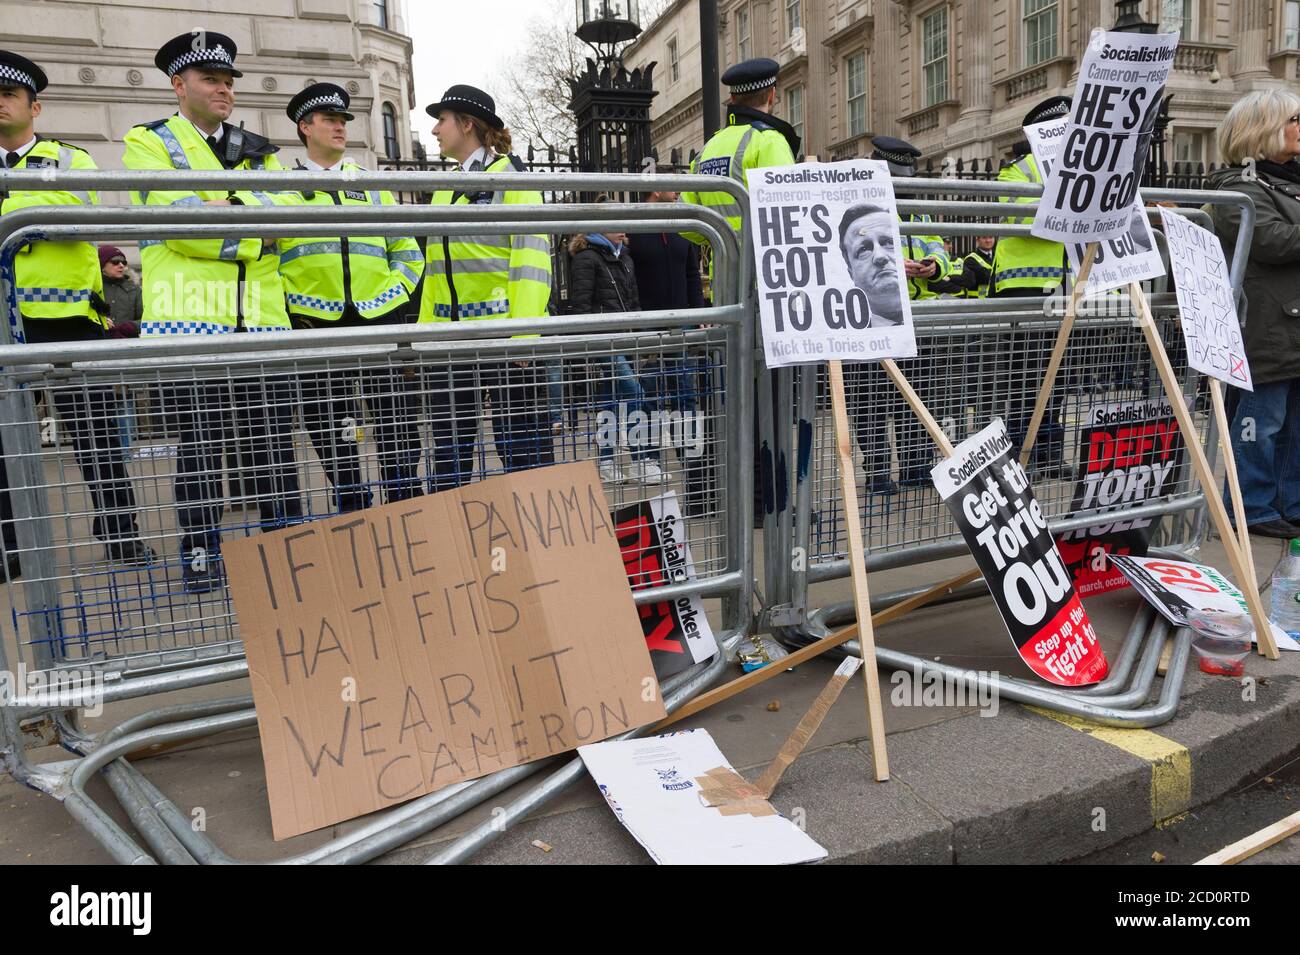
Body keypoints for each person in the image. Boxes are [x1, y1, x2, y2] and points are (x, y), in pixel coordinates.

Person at [122, 31, 302, 593]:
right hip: (192, 323)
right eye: (210, 80)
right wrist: (253, 232)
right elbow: (177, 222)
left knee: (271, 447)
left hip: (261, 323)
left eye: (228, 81)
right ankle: (201, 554)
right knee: (199, 454)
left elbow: (289, 212)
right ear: (179, 85)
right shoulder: (147, 142)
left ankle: (287, 553)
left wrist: (228, 210)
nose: (223, 90)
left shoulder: (260, 148)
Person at [0, 50, 154, 578]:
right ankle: (10, 550)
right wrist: (33, 214)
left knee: (96, 436)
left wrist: (16, 220)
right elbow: (48, 216)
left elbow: (79, 217)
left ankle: (121, 533)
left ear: (34, 107)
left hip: (68, 321)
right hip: (4, 320)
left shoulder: (71, 158)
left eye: (9, 94)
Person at [279, 82, 423, 512]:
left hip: (377, 318)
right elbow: (271, 258)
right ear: (306, 127)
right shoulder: (282, 187)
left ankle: (404, 500)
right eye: (330, 120)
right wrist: (295, 305)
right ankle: (353, 503)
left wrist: (390, 298)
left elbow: (407, 253)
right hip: (315, 323)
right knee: (331, 423)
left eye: (343, 120)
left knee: (395, 418)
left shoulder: (370, 184)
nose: (340, 127)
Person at [418, 84, 554, 490]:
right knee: (449, 457)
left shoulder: (511, 177)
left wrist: (525, 335)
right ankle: (458, 549)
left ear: (467, 124)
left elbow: (531, 258)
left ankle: (541, 547)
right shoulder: (446, 187)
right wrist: (422, 338)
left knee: (522, 452)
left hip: (504, 342)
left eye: (441, 120)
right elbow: (435, 271)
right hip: (450, 344)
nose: (435, 130)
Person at [682, 57, 799, 523]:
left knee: (738, 405)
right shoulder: (768, 141)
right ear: (771, 96)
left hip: (726, 295)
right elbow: (788, 213)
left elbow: (692, 224)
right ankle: (772, 505)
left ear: (733, 98)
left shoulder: (709, 148)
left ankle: (745, 501)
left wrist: (724, 242)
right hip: (768, 293)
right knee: (774, 403)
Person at [1207, 89, 1300, 538]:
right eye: (1294, 119)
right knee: (1260, 424)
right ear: (1263, 129)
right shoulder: (1238, 188)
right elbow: (1273, 240)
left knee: (1294, 427)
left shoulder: (1288, 181)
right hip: (1264, 327)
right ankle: (1253, 507)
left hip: (1292, 324)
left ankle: (1289, 502)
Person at [990, 95, 1073, 476]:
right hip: (1024, 290)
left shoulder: (1075, 167)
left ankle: (1050, 456)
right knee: (1027, 380)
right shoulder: (1017, 170)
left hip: (1064, 287)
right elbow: (1011, 215)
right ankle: (1023, 455)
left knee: (1056, 378)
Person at [628, 188, 715, 516]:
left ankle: (696, 484)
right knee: (648, 398)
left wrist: (698, 315)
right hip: (648, 327)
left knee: (686, 401)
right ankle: (649, 467)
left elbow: (693, 275)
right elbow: (629, 278)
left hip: (682, 329)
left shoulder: (683, 226)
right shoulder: (634, 228)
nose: (677, 190)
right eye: (671, 184)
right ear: (653, 189)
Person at [567, 227, 665, 485]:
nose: (622, 230)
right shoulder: (586, 259)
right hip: (604, 340)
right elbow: (581, 304)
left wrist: (641, 337)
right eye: (614, 225)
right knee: (635, 393)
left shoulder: (625, 257)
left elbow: (633, 302)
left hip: (625, 338)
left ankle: (607, 462)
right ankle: (640, 459)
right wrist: (588, 341)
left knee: (611, 401)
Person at [98, 245, 143, 329]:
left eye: (124, 262)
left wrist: (130, 327)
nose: (121, 265)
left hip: (128, 340)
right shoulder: (93, 289)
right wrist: (100, 322)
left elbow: (146, 319)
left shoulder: (134, 289)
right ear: (102, 265)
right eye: (115, 262)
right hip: (97, 340)